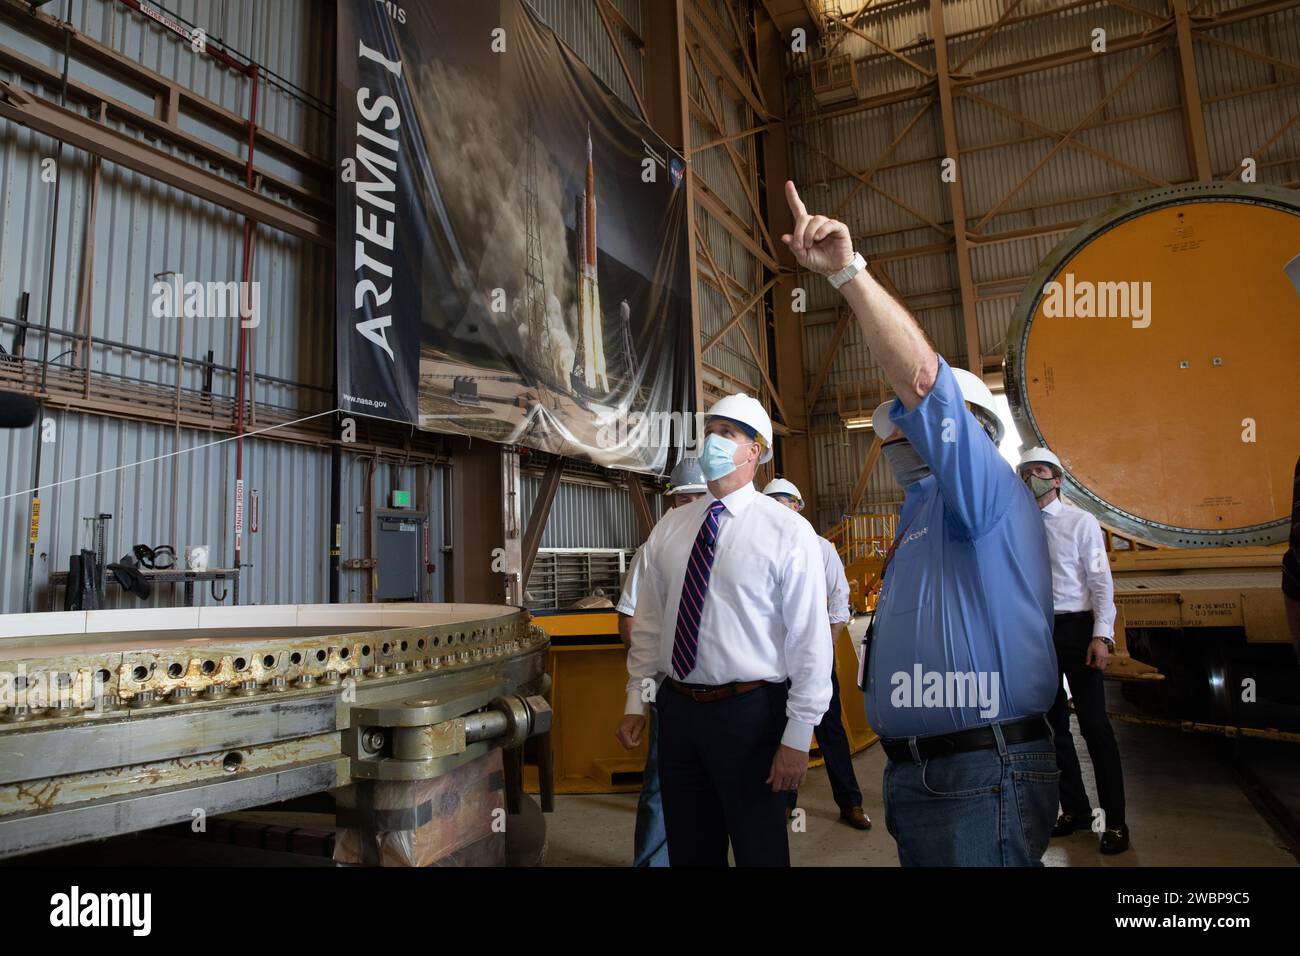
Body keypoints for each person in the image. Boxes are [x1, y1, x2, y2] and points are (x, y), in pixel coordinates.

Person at [780, 180, 1059, 866]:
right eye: (893, 435)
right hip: (927, 775)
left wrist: (847, 274)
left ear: (972, 433)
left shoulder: (985, 489)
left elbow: (924, 385)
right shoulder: (919, 513)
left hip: (980, 772)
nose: (898, 442)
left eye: (913, 432)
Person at [614, 394, 832, 866]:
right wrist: (637, 700)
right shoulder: (672, 527)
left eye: (727, 433)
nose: (711, 440)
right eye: (709, 430)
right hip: (678, 712)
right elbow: (649, 625)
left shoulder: (786, 532)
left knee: (760, 850)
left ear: (755, 451)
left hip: (751, 715)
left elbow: (809, 641)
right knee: (691, 850)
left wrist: (798, 737)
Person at [1019, 447, 1130, 854]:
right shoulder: (1019, 526)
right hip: (1039, 634)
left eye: (1041, 471)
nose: (1033, 477)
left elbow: (1101, 583)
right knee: (1053, 729)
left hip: (1078, 630)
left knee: (1095, 727)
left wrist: (1102, 635)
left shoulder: (1080, 523)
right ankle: (1076, 810)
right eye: (1027, 472)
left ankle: (1116, 823)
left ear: (1058, 479)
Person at [762, 478, 870, 830]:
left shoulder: (821, 548)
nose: (779, 507)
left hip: (811, 661)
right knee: (779, 732)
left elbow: (839, 606)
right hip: (770, 664)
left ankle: (850, 802)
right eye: (772, 501)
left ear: (798, 506)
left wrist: (820, 652)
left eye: (785, 501)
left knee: (829, 730)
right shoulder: (756, 548)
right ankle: (784, 805)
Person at [616, 456, 707, 867]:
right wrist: (643, 691)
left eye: (696, 499)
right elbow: (631, 620)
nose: (686, 507)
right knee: (660, 784)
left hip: (728, 696)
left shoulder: (733, 547)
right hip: (671, 690)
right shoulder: (653, 550)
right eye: (680, 500)